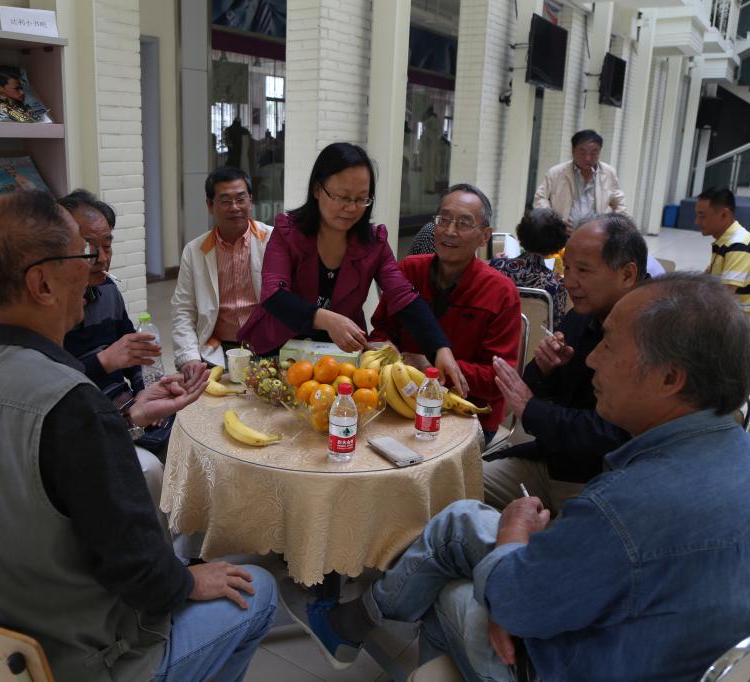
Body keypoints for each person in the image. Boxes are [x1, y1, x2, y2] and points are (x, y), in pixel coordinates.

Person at [282, 272, 750, 681]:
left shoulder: (625, 506)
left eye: (610, 347)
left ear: (670, 378)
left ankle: (365, 626)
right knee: (460, 521)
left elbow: (519, 601)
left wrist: (512, 550)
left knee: (454, 593)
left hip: (578, 663)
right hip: (650, 638)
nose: (593, 360)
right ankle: (354, 622)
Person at [0, 191, 276, 682]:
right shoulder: (69, 401)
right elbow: (144, 577)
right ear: (42, 283)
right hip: (70, 661)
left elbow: (37, 470)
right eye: (82, 255)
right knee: (257, 589)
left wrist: (126, 419)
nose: (93, 268)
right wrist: (187, 579)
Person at [238, 142, 469, 395]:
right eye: (342, 197)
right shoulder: (287, 232)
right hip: (277, 350)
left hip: (340, 358)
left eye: (361, 199)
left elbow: (404, 297)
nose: (351, 208)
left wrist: (439, 347)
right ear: (317, 189)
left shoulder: (374, 243)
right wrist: (327, 319)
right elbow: (274, 295)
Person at [484, 214, 645, 514]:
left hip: (604, 480)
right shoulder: (582, 315)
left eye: (583, 270)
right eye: (566, 267)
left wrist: (532, 409)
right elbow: (537, 388)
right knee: (457, 483)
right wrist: (544, 370)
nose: (568, 281)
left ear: (627, 274)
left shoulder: (650, 333)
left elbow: (612, 435)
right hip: (549, 461)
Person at [370, 184, 521, 438]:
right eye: (444, 220)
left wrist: (430, 368)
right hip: (402, 400)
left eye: (464, 223)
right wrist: (384, 349)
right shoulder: (409, 271)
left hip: (468, 414)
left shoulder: (501, 292)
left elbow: (498, 379)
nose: (450, 231)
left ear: (485, 236)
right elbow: (380, 331)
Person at [58, 190, 172, 502]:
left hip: (122, 404)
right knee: (150, 467)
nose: (102, 258)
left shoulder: (107, 289)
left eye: (107, 245)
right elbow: (52, 387)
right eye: (88, 247)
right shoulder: (49, 310)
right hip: (87, 420)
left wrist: (146, 391)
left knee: (189, 426)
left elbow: (134, 352)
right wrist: (104, 361)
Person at [172, 167, 273, 380]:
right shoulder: (194, 251)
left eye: (241, 199)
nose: (234, 207)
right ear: (210, 205)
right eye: (225, 201)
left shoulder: (273, 240)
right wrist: (189, 357)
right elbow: (183, 310)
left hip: (268, 345)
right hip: (218, 349)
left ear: (251, 200)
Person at [490, 208, 569, 328]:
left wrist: (495, 261)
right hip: (536, 337)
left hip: (498, 332)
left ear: (522, 234)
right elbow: (557, 323)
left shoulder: (497, 267)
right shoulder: (556, 283)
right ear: (558, 240)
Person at [533, 129, 626, 228]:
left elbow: (619, 203)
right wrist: (555, 221)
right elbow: (540, 198)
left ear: (599, 152)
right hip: (563, 231)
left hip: (596, 233)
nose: (587, 158)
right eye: (582, 153)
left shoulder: (608, 173)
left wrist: (614, 226)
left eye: (593, 153)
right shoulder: (556, 173)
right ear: (573, 151)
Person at [695, 186, 750, 306]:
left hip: (740, 316)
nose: (697, 221)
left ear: (724, 214)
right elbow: (704, 281)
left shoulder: (739, 245)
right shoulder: (725, 242)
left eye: (702, 216)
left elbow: (724, 298)